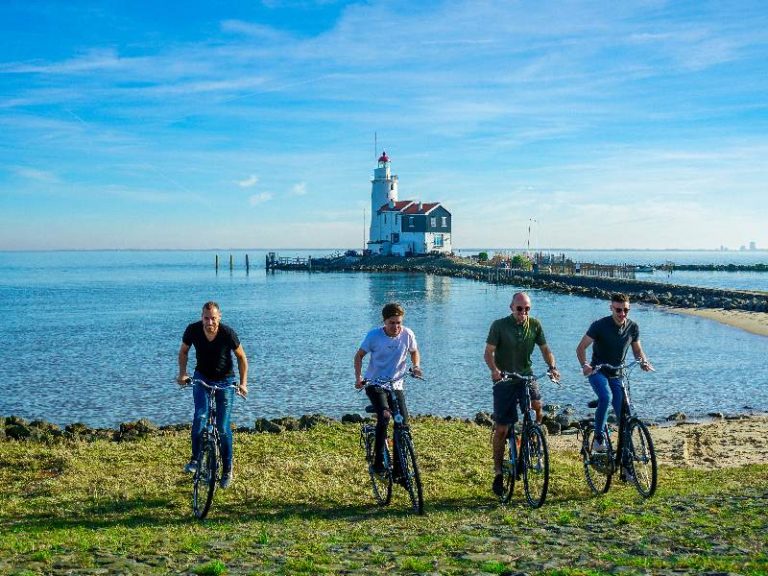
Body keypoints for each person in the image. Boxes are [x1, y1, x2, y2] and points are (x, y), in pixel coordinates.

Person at [484, 291, 560, 497]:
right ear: (511, 307)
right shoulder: (499, 325)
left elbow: (545, 349)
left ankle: (532, 438)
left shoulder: (535, 325)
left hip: (526, 376)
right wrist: (494, 370)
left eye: (527, 309)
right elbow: (488, 352)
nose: (523, 312)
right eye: (520, 308)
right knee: (502, 429)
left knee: (537, 406)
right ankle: (498, 472)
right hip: (504, 380)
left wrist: (552, 367)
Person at [177, 301, 248, 489]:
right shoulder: (192, 330)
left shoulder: (227, 333)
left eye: (213, 318)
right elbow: (183, 352)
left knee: (223, 427)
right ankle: (195, 459)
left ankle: (227, 469)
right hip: (202, 378)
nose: (210, 322)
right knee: (200, 416)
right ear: (202, 317)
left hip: (225, 380)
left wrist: (243, 383)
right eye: (206, 318)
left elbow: (242, 358)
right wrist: (183, 374)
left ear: (219, 317)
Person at [576, 293, 653, 454]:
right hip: (598, 371)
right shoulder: (599, 325)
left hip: (617, 374)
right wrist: (585, 365)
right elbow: (581, 348)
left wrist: (643, 362)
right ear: (611, 308)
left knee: (624, 414)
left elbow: (637, 350)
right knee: (606, 397)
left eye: (626, 310)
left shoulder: (633, 327)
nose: (622, 314)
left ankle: (625, 456)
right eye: (618, 310)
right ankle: (598, 438)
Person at [354, 302, 423, 477]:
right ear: (384, 321)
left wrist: (416, 367)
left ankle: (400, 471)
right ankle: (378, 463)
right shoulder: (374, 336)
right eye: (392, 323)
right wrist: (359, 378)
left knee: (402, 424)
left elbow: (414, 351)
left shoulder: (407, 334)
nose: (396, 327)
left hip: (396, 384)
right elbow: (359, 356)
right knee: (385, 416)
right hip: (375, 384)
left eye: (398, 322)